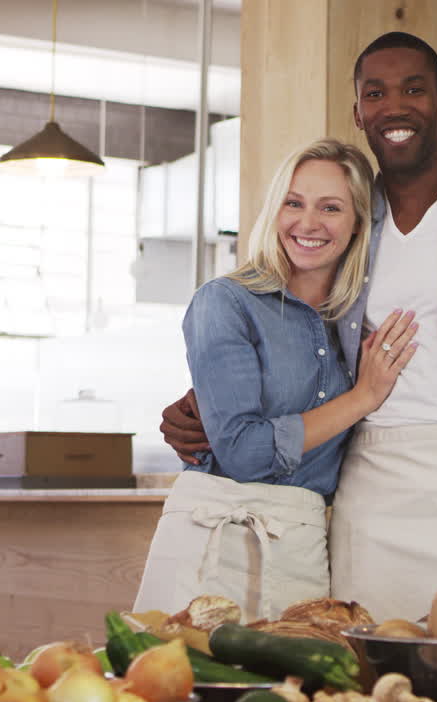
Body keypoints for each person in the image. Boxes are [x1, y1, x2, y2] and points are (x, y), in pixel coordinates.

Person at [160, 32, 437, 621]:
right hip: (368, 494)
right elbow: (297, 334)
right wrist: (210, 408)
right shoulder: (347, 216)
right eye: (376, 94)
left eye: (413, 90)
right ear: (358, 113)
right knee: (371, 663)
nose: (395, 107)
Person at [134, 138, 418, 622]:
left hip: (302, 546)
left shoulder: (357, 325)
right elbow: (243, 453)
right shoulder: (225, 302)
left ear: (357, 224)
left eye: (330, 208)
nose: (308, 223)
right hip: (208, 542)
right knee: (181, 671)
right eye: (294, 203)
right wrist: (362, 398)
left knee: (295, 672)